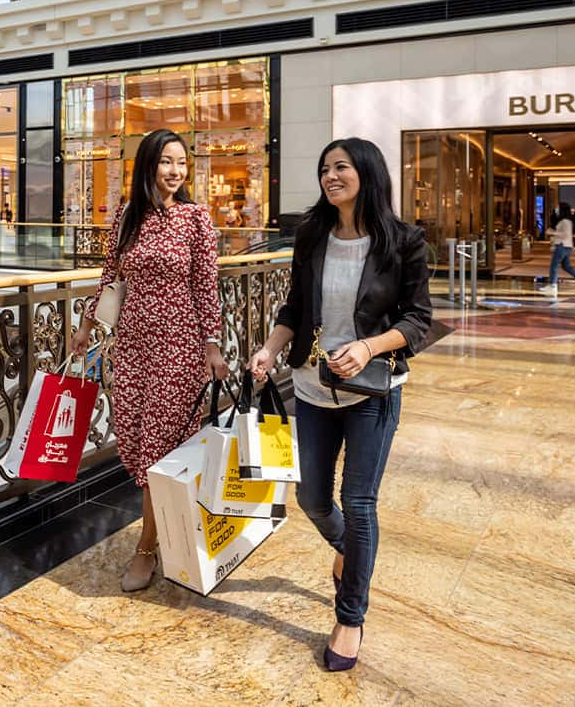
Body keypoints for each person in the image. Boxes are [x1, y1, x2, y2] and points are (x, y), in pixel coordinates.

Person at [247, 137, 433, 672]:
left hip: (374, 391)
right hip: (310, 388)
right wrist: (269, 349)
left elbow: (418, 319)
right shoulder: (312, 236)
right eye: (325, 168)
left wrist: (368, 346)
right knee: (310, 498)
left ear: (366, 173)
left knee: (359, 503)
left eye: (341, 167)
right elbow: (294, 307)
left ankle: (350, 617)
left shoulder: (403, 240)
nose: (331, 176)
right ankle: (352, 553)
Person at [70, 128, 226, 592]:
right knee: (138, 444)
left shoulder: (197, 219)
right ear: (148, 166)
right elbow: (110, 278)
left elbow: (206, 287)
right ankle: (173, 532)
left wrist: (212, 347)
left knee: (159, 450)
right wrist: (85, 327)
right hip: (132, 347)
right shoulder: (126, 217)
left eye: (181, 162)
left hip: (178, 351)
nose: (175, 171)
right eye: (166, 162)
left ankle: (147, 548)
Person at [542, 202, 575, 296]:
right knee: (566, 266)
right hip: (566, 245)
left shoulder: (565, 221)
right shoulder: (566, 221)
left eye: (558, 207)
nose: (556, 209)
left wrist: (552, 233)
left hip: (562, 245)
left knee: (554, 265)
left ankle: (552, 285)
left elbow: (565, 234)